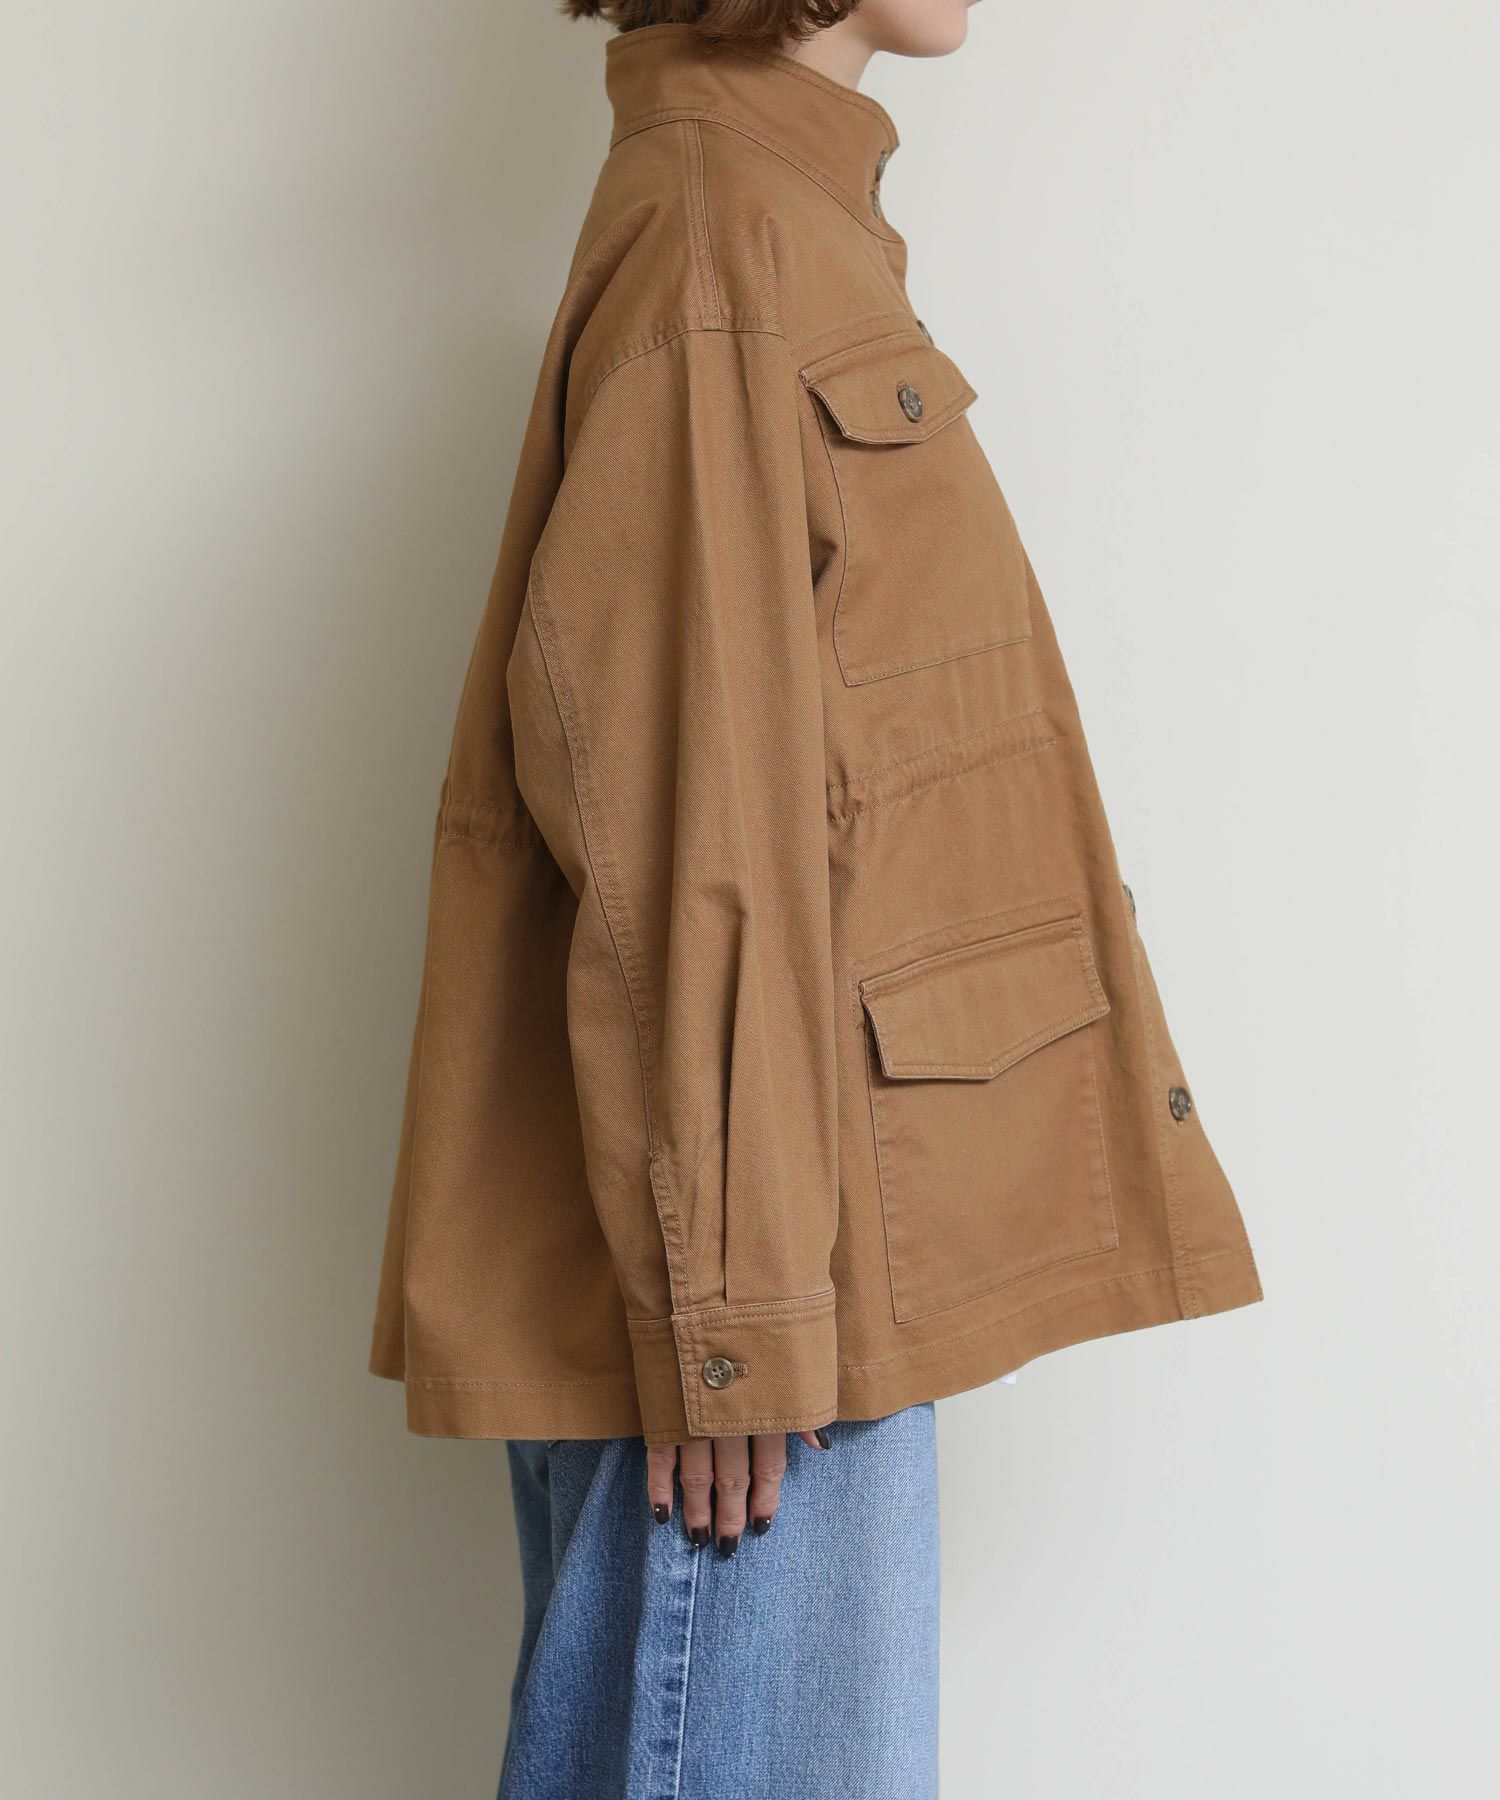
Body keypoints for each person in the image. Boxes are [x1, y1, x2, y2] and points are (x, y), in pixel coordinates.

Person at [368, 2, 1262, 1792]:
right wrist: (738, 1315)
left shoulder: (773, 216)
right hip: (779, 1295)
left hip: (805, 1246)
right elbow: (688, 802)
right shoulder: (725, 236)